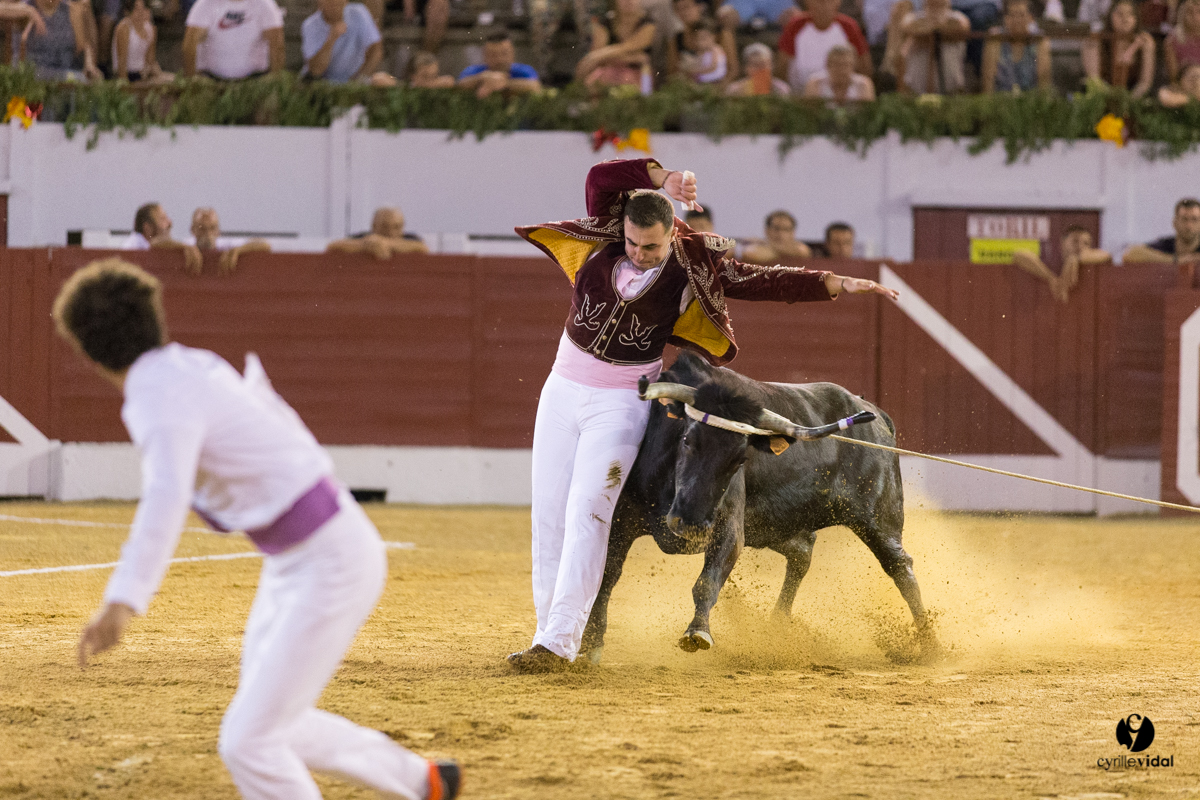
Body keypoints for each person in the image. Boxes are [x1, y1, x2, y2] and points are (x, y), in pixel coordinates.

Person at [57, 259, 461, 800]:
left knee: (248, 740)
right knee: (273, 720)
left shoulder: (157, 395)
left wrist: (123, 600)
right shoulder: (189, 366)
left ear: (89, 350)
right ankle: (422, 781)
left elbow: (165, 496)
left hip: (328, 561)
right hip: (306, 556)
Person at [509, 159, 898, 673]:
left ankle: (562, 643)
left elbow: (759, 281)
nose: (639, 254)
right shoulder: (608, 237)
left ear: (673, 234)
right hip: (561, 388)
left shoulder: (692, 265)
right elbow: (600, 178)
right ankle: (544, 636)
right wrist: (659, 177)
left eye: (651, 246)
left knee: (590, 512)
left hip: (623, 399)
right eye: (632, 244)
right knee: (550, 514)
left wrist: (830, 283)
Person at [778, 0, 872, 95]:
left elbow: (864, 66)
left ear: (838, 2)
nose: (824, 5)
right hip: (800, 94)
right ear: (808, 2)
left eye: (828, 1)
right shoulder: (795, 26)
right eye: (819, 1)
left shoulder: (848, 26)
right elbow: (782, 66)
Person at [182, 0, 284, 79]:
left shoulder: (265, 5)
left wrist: (275, 81)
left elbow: (277, 44)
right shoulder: (205, 4)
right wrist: (191, 80)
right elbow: (189, 44)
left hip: (256, 79)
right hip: (211, 79)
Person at [1012, 225, 1110, 303]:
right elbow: (1019, 255)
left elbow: (1106, 255)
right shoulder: (1051, 261)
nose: (1080, 246)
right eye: (1075, 241)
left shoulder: (1090, 262)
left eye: (1086, 243)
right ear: (1062, 242)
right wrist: (1051, 278)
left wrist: (1076, 259)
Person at [576, 0, 658, 91]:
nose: (628, 1)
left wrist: (602, 54)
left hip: (639, 78)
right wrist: (636, 58)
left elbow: (631, 46)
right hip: (607, 77)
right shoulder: (605, 24)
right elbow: (595, 59)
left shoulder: (648, 24)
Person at [1082, 0, 1155, 98]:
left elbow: (1145, 83)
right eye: (1120, 14)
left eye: (1130, 14)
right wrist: (1113, 100)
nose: (1125, 19)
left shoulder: (1145, 42)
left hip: (1134, 97)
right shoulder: (1096, 40)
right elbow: (1094, 80)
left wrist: (1128, 101)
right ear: (1110, 16)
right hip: (1101, 97)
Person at [301, 0, 383, 83]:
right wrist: (331, 39)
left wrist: (360, 80)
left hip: (356, 80)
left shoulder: (359, 12)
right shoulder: (310, 25)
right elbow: (315, 70)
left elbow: (376, 50)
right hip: (322, 83)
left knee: (383, 80)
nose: (334, 3)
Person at [18, 0, 102, 81]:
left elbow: (83, 46)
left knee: (86, 79)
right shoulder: (25, 7)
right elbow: (4, 7)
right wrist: (30, 12)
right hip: (34, 73)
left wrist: (89, 64)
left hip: (65, 72)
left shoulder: (71, 11)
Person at [898, 0, 969, 94]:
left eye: (940, 5)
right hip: (916, 92)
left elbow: (962, 26)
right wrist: (932, 30)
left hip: (952, 91)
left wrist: (931, 30)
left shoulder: (957, 17)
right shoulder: (914, 18)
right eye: (932, 5)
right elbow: (907, 26)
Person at [982, 0, 1051, 93]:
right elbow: (988, 83)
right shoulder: (995, 40)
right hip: (1001, 101)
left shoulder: (1039, 41)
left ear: (1030, 18)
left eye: (1021, 15)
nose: (1017, 20)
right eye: (1012, 15)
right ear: (1005, 18)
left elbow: (1044, 83)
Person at [122, 203, 203, 275]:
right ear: (148, 228)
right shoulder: (134, 243)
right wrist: (184, 247)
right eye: (163, 219)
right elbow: (154, 244)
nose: (170, 223)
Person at [456, 31, 542, 98]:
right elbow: (459, 85)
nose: (499, 59)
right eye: (493, 55)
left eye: (504, 53)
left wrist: (504, 84)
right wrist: (482, 78)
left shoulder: (523, 71)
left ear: (512, 54)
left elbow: (535, 86)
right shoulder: (474, 71)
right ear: (484, 56)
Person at [189, 208, 272, 274]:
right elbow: (176, 244)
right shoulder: (187, 245)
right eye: (202, 228)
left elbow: (265, 244)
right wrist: (185, 248)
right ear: (193, 230)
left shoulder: (227, 246)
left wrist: (238, 250)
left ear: (218, 231)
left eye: (212, 228)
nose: (208, 233)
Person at [326, 207, 429, 259]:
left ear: (403, 227)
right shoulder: (363, 237)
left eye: (396, 227)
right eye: (384, 226)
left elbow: (423, 248)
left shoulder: (411, 239)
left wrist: (387, 243)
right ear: (374, 226)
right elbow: (332, 247)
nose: (391, 231)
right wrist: (365, 245)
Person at [1121, 198, 1200, 265]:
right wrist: (1176, 260)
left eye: (1194, 219)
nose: (1189, 225)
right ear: (1174, 223)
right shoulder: (1165, 245)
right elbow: (1130, 254)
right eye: (1184, 219)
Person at [112, 0, 168, 82]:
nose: (140, 13)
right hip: (129, 74)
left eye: (143, 8)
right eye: (136, 9)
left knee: (171, 80)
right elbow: (121, 62)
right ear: (128, 12)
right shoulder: (124, 28)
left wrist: (153, 73)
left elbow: (150, 60)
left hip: (143, 74)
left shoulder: (150, 29)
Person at [804, 44, 876, 100]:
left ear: (853, 66)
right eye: (837, 65)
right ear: (827, 65)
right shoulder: (816, 83)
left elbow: (867, 113)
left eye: (846, 65)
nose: (842, 70)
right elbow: (811, 113)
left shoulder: (863, 85)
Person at [741, 210, 813, 263]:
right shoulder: (756, 248)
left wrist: (768, 246)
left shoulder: (800, 249)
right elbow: (751, 255)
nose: (781, 234)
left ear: (793, 232)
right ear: (767, 230)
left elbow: (803, 252)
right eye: (776, 228)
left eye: (786, 229)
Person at [726, 41, 792, 94]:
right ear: (746, 68)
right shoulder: (734, 90)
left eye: (763, 64)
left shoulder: (782, 89)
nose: (760, 69)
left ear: (772, 66)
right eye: (755, 65)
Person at [683, 18, 727, 82]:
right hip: (703, 80)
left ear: (713, 37)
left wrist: (697, 71)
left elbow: (713, 67)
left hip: (715, 81)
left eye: (704, 38)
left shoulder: (716, 50)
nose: (700, 42)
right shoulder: (701, 51)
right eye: (698, 39)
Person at [1165, 0, 1200, 81]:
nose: (1195, 17)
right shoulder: (1172, 40)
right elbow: (1174, 77)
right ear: (1182, 14)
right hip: (1185, 84)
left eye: (1199, 11)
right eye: (1190, 12)